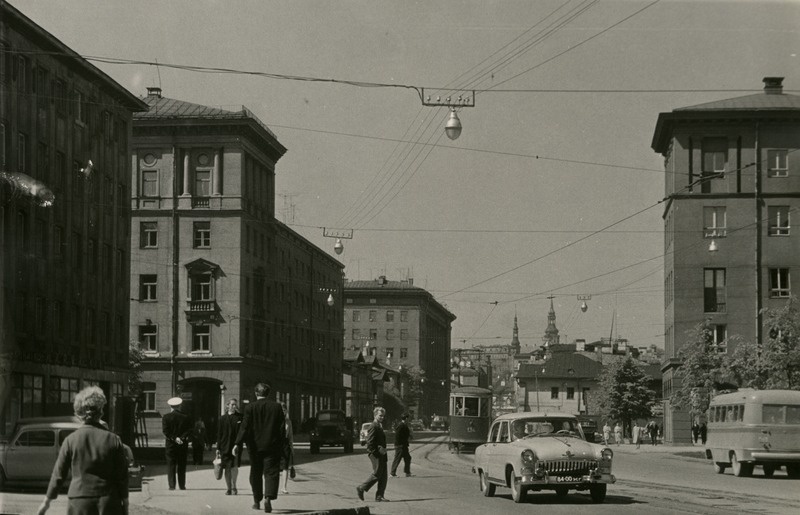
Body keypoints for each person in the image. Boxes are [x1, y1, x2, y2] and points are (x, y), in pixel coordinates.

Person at [37, 386, 128, 515]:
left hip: (79, 501)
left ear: (79, 413)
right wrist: (125, 502)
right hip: (108, 500)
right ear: (101, 411)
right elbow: (122, 475)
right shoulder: (114, 439)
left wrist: (46, 502)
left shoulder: (70, 440)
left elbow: (58, 475)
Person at [235, 382, 286, 513]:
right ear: (268, 393)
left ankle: (256, 501)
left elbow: (244, 427)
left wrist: (237, 443)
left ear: (256, 393)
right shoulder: (276, 407)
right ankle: (268, 497)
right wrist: (281, 445)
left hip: (254, 447)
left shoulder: (250, 407)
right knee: (272, 473)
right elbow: (281, 429)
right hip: (272, 446)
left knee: (255, 473)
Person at [356, 406, 389, 502]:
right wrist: (378, 452)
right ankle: (361, 488)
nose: (382, 417)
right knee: (377, 474)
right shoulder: (373, 426)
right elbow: (370, 443)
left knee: (383, 476)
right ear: (375, 415)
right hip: (375, 455)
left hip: (382, 454)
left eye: (383, 416)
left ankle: (379, 496)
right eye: (380, 416)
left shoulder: (379, 426)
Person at [163, 397, 192, 490]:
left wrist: (174, 438)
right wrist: (181, 438)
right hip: (182, 444)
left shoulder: (166, 417)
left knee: (171, 465)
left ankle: (172, 486)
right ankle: (182, 485)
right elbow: (189, 430)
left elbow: (165, 431)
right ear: (180, 406)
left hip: (170, 445)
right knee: (181, 465)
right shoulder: (186, 417)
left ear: (171, 406)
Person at [216, 398, 243, 495]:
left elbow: (242, 432)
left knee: (234, 467)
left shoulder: (240, 417)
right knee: (227, 468)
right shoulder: (222, 418)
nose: (234, 406)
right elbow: (219, 434)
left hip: (236, 446)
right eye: (232, 404)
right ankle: (228, 488)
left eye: (235, 405)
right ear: (227, 406)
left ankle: (234, 486)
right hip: (224, 446)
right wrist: (218, 448)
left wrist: (239, 443)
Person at [390, 413, 412, 477]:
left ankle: (407, 472)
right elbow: (397, 436)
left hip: (404, 446)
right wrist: (399, 445)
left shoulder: (404, 425)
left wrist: (409, 436)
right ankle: (392, 473)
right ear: (406, 418)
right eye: (408, 418)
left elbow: (405, 434)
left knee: (408, 458)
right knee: (397, 459)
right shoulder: (401, 425)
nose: (409, 419)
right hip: (400, 446)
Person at [279, 402, 294, 494]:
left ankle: (284, 487)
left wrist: (292, 447)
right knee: (275, 467)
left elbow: (291, 435)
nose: (283, 412)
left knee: (285, 466)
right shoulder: (273, 420)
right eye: (281, 411)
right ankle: (273, 486)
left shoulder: (288, 421)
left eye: (284, 410)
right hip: (275, 445)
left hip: (285, 444)